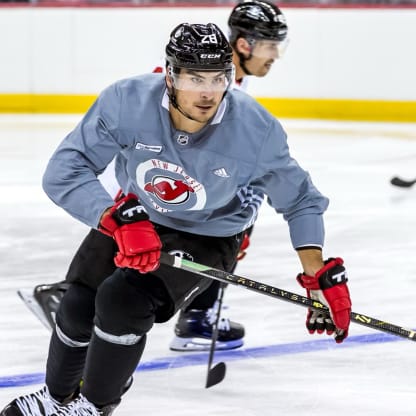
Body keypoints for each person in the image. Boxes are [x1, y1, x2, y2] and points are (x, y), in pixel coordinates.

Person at [1, 21, 351, 416]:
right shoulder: (126, 101)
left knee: (121, 301)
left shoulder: (256, 128)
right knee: (78, 303)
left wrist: (315, 275)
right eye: (193, 77)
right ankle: (55, 399)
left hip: (208, 233)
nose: (206, 92)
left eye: (217, 78)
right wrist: (113, 218)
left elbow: (300, 199)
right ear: (170, 75)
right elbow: (66, 169)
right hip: (135, 215)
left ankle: (94, 406)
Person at [21, 0, 290, 352]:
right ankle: (181, 319)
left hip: (149, 185)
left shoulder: (217, 78)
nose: (275, 55)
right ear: (245, 44)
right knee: (196, 237)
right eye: (271, 45)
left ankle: (85, 311)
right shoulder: (213, 84)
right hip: (143, 187)